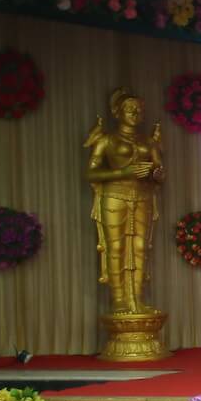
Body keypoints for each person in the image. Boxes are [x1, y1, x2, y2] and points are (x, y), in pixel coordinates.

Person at [84, 88, 164, 315]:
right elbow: (91, 173)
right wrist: (123, 172)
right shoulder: (107, 140)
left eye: (138, 109)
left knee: (140, 248)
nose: (135, 113)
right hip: (114, 195)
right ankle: (119, 299)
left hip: (142, 196)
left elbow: (159, 172)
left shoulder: (148, 142)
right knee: (116, 247)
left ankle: (136, 298)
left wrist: (155, 174)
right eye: (129, 109)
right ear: (117, 112)